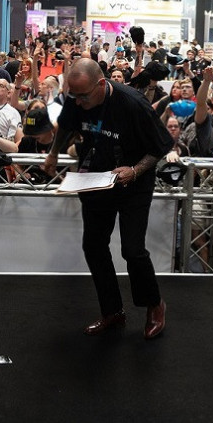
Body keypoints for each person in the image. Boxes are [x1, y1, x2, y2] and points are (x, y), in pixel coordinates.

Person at [43, 59, 172, 339]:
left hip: (134, 181)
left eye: (83, 97)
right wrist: (53, 152)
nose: (78, 102)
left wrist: (135, 170)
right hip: (96, 177)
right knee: (93, 245)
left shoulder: (133, 104)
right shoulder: (78, 96)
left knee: (133, 250)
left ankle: (154, 305)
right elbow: (65, 124)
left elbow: (160, 147)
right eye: (74, 96)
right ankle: (112, 311)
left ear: (101, 85)